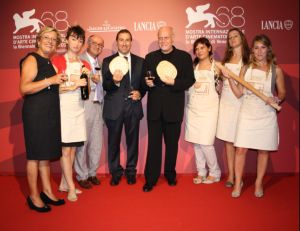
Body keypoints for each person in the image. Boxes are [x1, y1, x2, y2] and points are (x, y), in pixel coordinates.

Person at [229, 34, 286, 198]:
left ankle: (258, 182)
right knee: (240, 149)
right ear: (252, 50)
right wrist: (230, 80)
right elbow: (239, 93)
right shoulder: (245, 68)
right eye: (256, 47)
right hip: (247, 114)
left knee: (263, 151)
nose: (259, 51)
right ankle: (238, 182)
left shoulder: (276, 70)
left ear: (268, 49)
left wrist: (277, 98)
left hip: (266, 115)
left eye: (263, 47)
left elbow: (282, 92)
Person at [143, 26, 195, 192]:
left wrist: (174, 83)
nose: (163, 41)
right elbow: (145, 79)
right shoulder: (150, 57)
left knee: (172, 145)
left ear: (172, 37)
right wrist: (148, 83)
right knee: (154, 147)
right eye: (160, 38)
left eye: (166, 37)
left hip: (174, 109)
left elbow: (190, 80)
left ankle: (170, 175)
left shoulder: (184, 57)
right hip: (155, 110)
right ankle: (150, 179)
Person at [20, 26, 65, 212]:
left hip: (50, 114)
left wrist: (70, 85)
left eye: (54, 39)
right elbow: (25, 88)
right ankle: (34, 196)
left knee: (45, 156)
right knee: (34, 157)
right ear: (38, 40)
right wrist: (51, 80)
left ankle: (47, 191)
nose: (50, 41)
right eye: (46, 37)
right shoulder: (32, 58)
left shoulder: (50, 63)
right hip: (36, 115)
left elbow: (53, 88)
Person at [102, 29, 145, 186]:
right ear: (117, 42)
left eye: (127, 40)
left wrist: (140, 93)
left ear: (131, 42)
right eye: (121, 40)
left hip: (133, 107)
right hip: (114, 108)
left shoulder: (140, 61)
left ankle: (131, 171)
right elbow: (105, 85)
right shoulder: (107, 61)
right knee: (113, 142)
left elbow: (144, 86)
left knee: (132, 142)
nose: (125, 43)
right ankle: (116, 172)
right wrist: (115, 81)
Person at [52, 25, 90, 201]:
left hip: (79, 110)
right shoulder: (58, 61)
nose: (77, 43)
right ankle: (71, 187)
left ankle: (63, 183)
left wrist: (85, 83)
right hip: (63, 110)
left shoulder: (85, 64)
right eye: (74, 39)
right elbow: (55, 89)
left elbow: (87, 93)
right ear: (67, 40)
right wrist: (73, 84)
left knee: (73, 149)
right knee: (65, 151)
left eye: (80, 40)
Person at [216, 28, 250, 188]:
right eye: (230, 38)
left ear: (242, 38)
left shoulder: (249, 59)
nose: (233, 39)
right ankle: (231, 174)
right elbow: (221, 83)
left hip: (241, 102)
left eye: (235, 36)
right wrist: (217, 84)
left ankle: (238, 176)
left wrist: (228, 78)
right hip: (226, 102)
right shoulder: (226, 59)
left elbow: (241, 88)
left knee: (239, 141)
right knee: (228, 141)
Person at [185, 37, 221, 185]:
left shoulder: (217, 66)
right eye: (197, 49)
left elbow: (220, 88)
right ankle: (201, 172)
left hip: (210, 109)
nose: (199, 51)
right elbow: (186, 87)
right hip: (193, 108)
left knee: (206, 143)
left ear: (209, 48)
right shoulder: (193, 67)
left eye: (202, 48)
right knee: (197, 143)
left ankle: (215, 172)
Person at [74, 35, 104, 189]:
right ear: (88, 44)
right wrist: (93, 80)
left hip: (99, 106)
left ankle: (92, 173)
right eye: (95, 43)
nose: (97, 47)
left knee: (96, 143)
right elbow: (77, 83)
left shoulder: (100, 63)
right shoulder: (79, 60)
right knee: (82, 143)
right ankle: (82, 175)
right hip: (84, 106)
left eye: (101, 45)